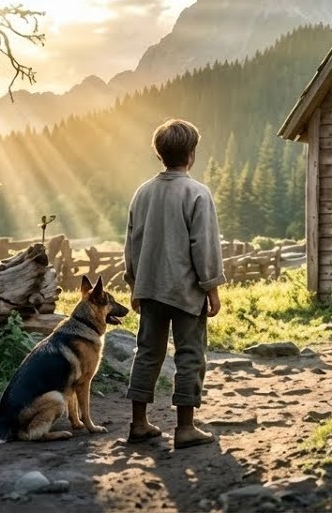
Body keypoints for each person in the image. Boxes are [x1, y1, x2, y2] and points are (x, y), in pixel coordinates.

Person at [124, 119, 225, 449]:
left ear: (158, 155)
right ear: (192, 154)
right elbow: (204, 245)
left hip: (150, 288)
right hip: (186, 290)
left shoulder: (142, 193)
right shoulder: (197, 193)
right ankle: (185, 427)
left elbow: (132, 242)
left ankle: (138, 423)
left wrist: (134, 283)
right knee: (190, 354)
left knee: (147, 353)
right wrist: (211, 287)